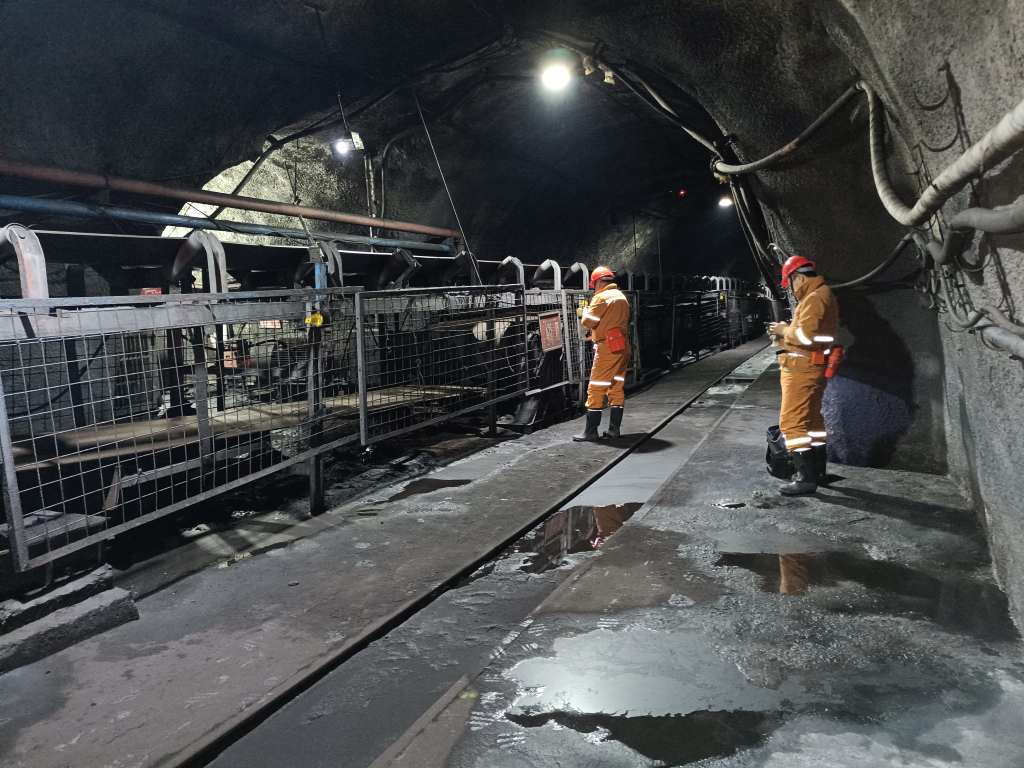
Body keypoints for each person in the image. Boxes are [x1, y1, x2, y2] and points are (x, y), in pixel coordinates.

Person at [768, 255, 839, 495]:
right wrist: (784, 338)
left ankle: (805, 478)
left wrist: (783, 330)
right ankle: (817, 472)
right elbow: (813, 336)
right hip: (810, 365)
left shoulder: (815, 297)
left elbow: (806, 337)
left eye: (791, 284)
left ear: (797, 278)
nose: (792, 290)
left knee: (792, 422)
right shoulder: (820, 294)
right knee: (812, 422)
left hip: (803, 369)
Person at [573, 266, 631, 441]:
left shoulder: (601, 297)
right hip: (622, 345)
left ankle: (590, 432)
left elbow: (588, 322)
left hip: (607, 347)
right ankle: (614, 430)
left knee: (596, 387)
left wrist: (583, 311)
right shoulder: (621, 296)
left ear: (598, 282)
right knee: (616, 386)